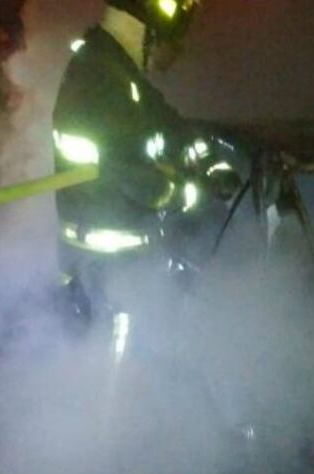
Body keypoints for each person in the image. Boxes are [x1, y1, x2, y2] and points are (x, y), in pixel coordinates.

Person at [51, 0, 244, 317]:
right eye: (164, 43)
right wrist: (187, 191)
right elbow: (128, 174)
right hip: (104, 267)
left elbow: (170, 125)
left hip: (124, 262)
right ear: (143, 31)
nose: (166, 57)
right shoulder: (99, 78)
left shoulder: (118, 73)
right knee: (113, 362)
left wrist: (212, 163)